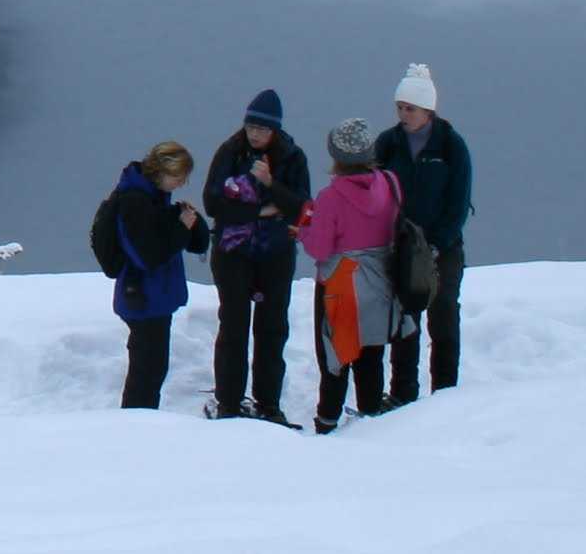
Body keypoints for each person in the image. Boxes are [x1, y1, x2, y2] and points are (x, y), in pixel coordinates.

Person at [201, 89, 312, 424]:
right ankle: (229, 403)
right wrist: (262, 208)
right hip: (233, 252)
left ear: (274, 130)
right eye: (251, 126)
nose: (255, 134)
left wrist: (270, 183)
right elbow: (212, 203)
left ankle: (268, 404)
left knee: (272, 328)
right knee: (233, 326)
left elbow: (302, 208)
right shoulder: (230, 151)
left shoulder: (293, 157)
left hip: (275, 253)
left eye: (262, 129)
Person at [375, 62, 475, 404]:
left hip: (443, 248)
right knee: (405, 319)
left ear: (427, 109)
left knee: (444, 312)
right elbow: (376, 194)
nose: (404, 114)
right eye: (400, 107)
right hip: (401, 246)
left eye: (410, 108)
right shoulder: (388, 144)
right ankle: (403, 396)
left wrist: (437, 242)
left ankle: (445, 395)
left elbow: (459, 202)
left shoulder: (451, 146)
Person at [294, 119, 399, 432]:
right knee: (371, 351)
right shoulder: (390, 183)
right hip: (380, 278)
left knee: (336, 355)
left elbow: (320, 249)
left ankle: (327, 420)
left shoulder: (330, 198)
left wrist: (303, 228)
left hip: (340, 282)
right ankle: (370, 418)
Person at [106, 140, 206, 410]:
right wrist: (182, 229)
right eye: (178, 177)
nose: (181, 184)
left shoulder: (151, 196)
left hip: (151, 298)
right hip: (143, 298)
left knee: (151, 369)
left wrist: (186, 223)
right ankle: (137, 424)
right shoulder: (135, 202)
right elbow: (147, 256)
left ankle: (140, 421)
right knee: (147, 372)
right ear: (162, 171)